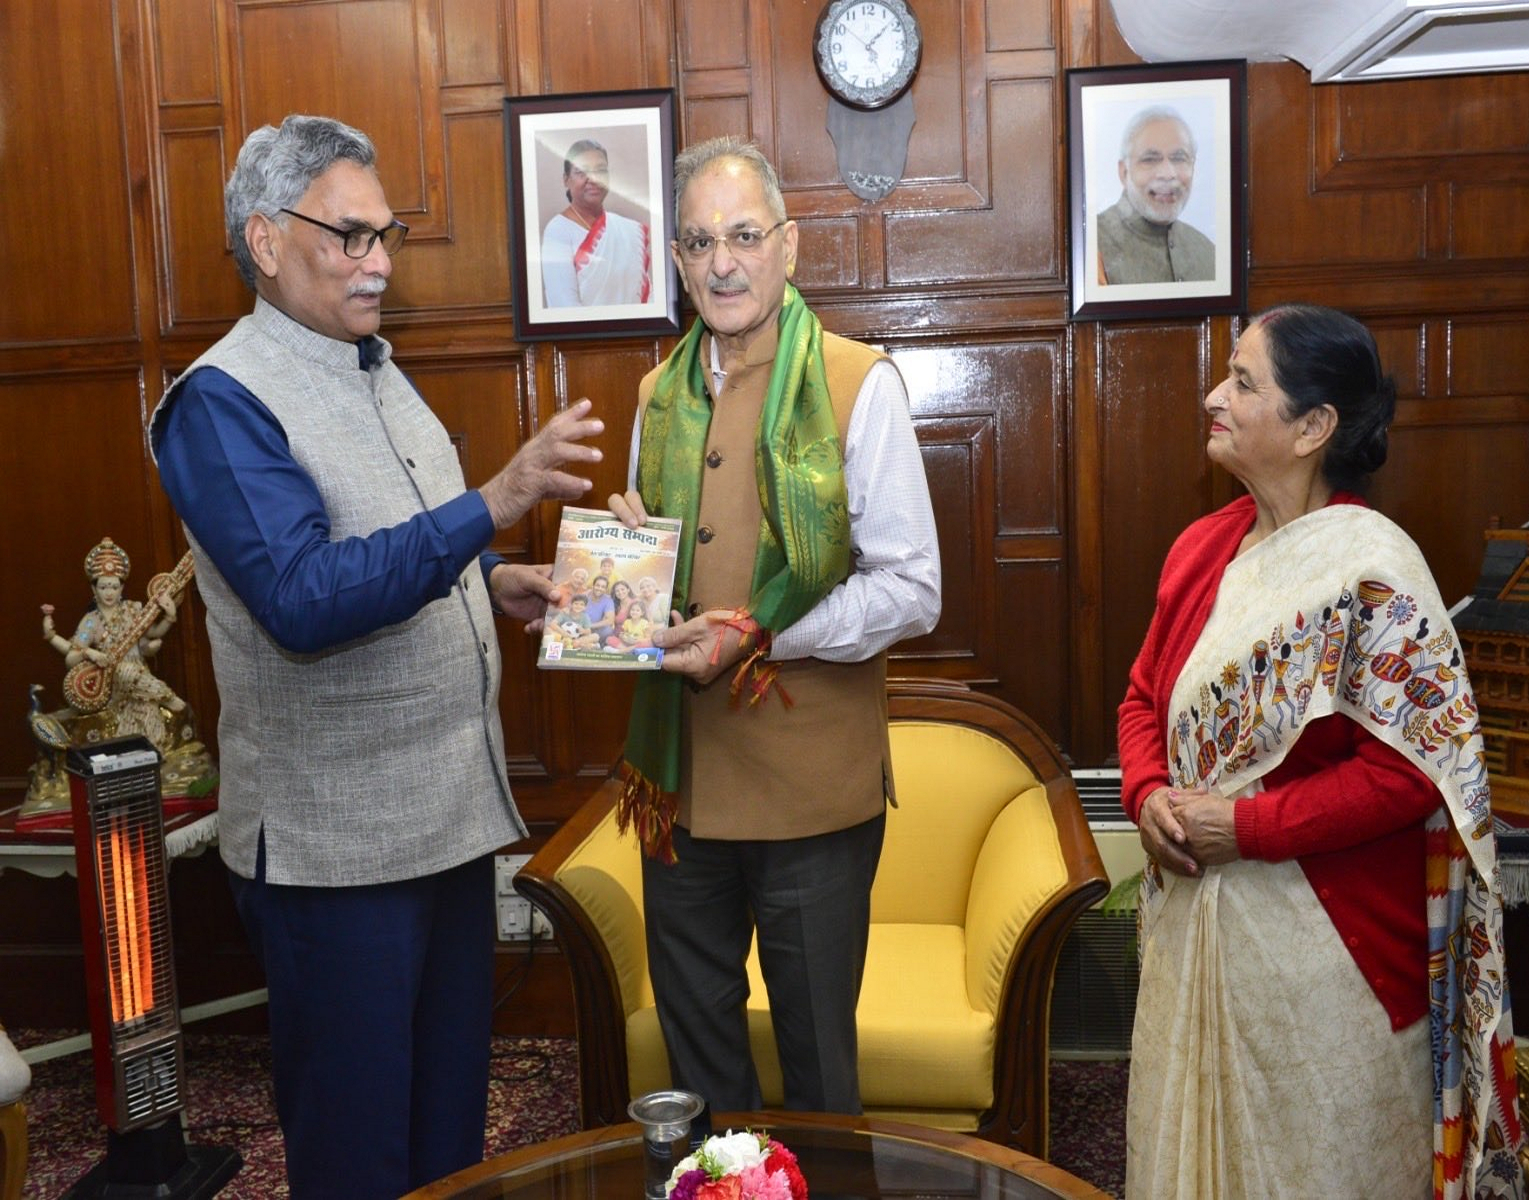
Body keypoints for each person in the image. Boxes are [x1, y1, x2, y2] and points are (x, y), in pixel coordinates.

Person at [146, 114, 604, 1199]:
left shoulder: (372, 367)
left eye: (385, 235)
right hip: (331, 853)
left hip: (439, 820)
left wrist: (494, 580)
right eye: (350, 237)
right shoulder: (220, 403)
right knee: (359, 1150)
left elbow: (394, 536)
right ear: (264, 240)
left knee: (447, 1129)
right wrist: (492, 505)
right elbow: (302, 597)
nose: (380, 263)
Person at [1117, 304, 1522, 1199]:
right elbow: (1143, 696)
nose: (1214, 396)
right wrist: (1147, 793)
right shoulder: (1202, 548)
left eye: (1244, 382)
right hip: (1196, 933)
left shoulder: (1373, 571)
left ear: (1313, 427)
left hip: (1328, 968)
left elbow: (1414, 771)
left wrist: (1249, 827)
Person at [606, 136, 941, 1116]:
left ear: (788, 247)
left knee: (819, 1076)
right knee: (698, 1061)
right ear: (676, 261)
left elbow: (912, 589)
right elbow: (658, 597)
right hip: (681, 791)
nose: (722, 262)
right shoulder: (655, 397)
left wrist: (758, 636)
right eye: (701, 241)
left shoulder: (855, 382)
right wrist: (622, 569)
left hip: (811, 802)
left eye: (744, 236)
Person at [41, 537, 189, 748]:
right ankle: (167, 696)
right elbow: (72, 656)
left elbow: (152, 635)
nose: (109, 592)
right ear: (94, 590)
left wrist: (169, 617)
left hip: (141, 680)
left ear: (121, 587)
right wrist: (89, 653)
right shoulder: (90, 622)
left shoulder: (134, 610)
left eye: (113, 587)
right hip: (112, 682)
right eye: (103, 587)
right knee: (122, 670)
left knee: (149, 722)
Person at [1096, 106, 1215, 285]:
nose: (1167, 174)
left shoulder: (1207, 251)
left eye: (1179, 158)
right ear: (1124, 172)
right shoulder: (1092, 245)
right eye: (1150, 159)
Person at [540, 139, 652, 308]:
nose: (592, 178)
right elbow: (564, 306)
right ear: (566, 180)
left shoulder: (627, 230)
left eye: (600, 170)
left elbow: (648, 296)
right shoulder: (558, 231)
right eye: (581, 171)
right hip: (583, 334)